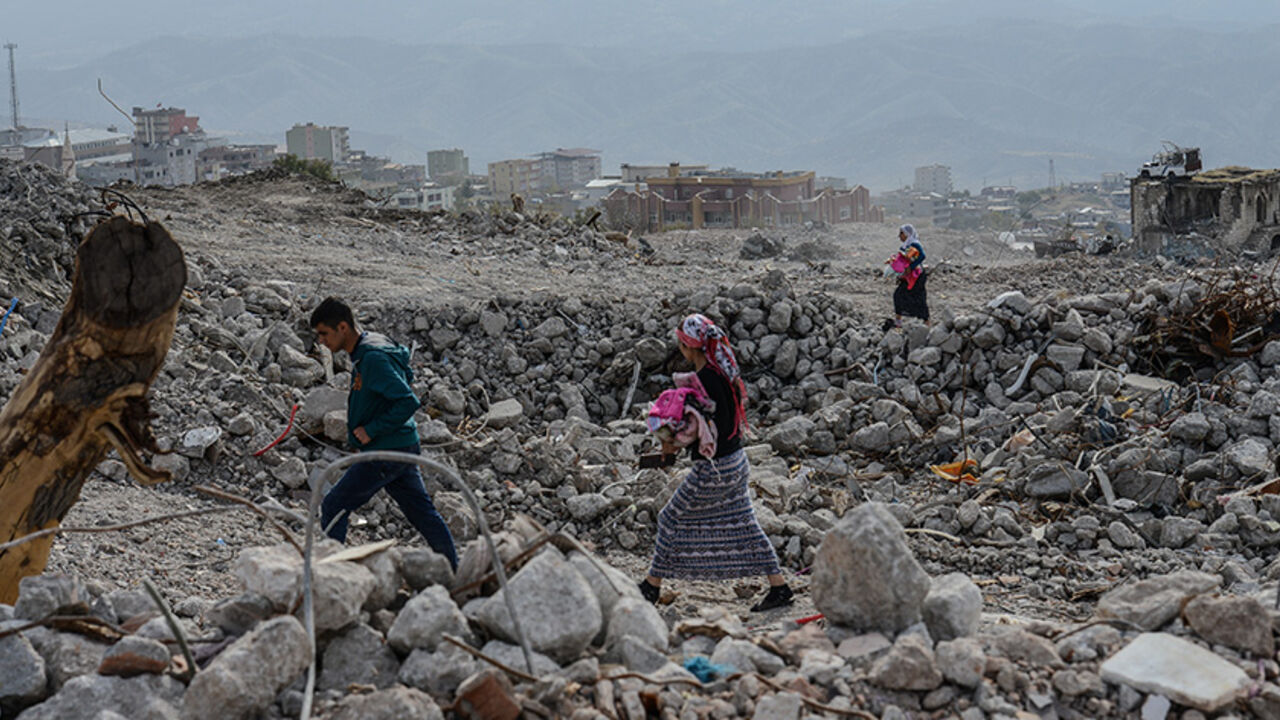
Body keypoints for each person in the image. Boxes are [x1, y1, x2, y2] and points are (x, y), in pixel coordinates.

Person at [639, 314, 793, 612]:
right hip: (736, 461)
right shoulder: (720, 373)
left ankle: (650, 587)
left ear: (687, 346)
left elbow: (707, 428)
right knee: (746, 524)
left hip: (716, 468)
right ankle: (780, 587)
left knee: (670, 518)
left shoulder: (705, 381)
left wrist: (671, 438)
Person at [309, 297, 458, 570]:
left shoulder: (373, 359)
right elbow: (404, 376)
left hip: (386, 451)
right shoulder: (373, 346)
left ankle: (333, 574)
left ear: (342, 327)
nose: (321, 342)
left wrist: (371, 429)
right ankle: (454, 568)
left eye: (324, 334)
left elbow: (407, 400)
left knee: (334, 506)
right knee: (422, 513)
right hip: (402, 447)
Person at [889, 223, 929, 326]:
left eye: (901, 233)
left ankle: (926, 322)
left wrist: (910, 267)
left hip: (917, 276)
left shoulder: (914, 244)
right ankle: (898, 321)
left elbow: (922, 256)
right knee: (899, 295)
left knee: (919, 299)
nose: (900, 236)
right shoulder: (905, 246)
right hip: (908, 277)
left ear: (908, 234)